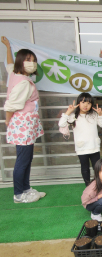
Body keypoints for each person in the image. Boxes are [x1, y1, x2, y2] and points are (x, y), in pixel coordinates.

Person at [1, 36, 46, 203]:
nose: (32, 63)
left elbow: (8, 64)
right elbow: (10, 105)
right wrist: (7, 121)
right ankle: (19, 194)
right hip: (23, 125)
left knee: (26, 158)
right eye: (27, 60)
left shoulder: (14, 73)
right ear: (21, 62)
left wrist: (7, 47)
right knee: (23, 160)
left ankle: (26, 188)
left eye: (33, 60)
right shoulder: (24, 83)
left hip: (25, 124)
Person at [59, 93, 102, 186]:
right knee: (85, 168)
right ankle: (88, 185)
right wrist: (68, 112)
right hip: (81, 148)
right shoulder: (73, 116)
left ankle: (98, 185)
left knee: (97, 167)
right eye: (83, 102)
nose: (85, 105)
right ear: (78, 103)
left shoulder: (94, 115)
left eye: (88, 103)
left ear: (91, 105)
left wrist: (100, 114)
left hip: (94, 147)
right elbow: (61, 124)